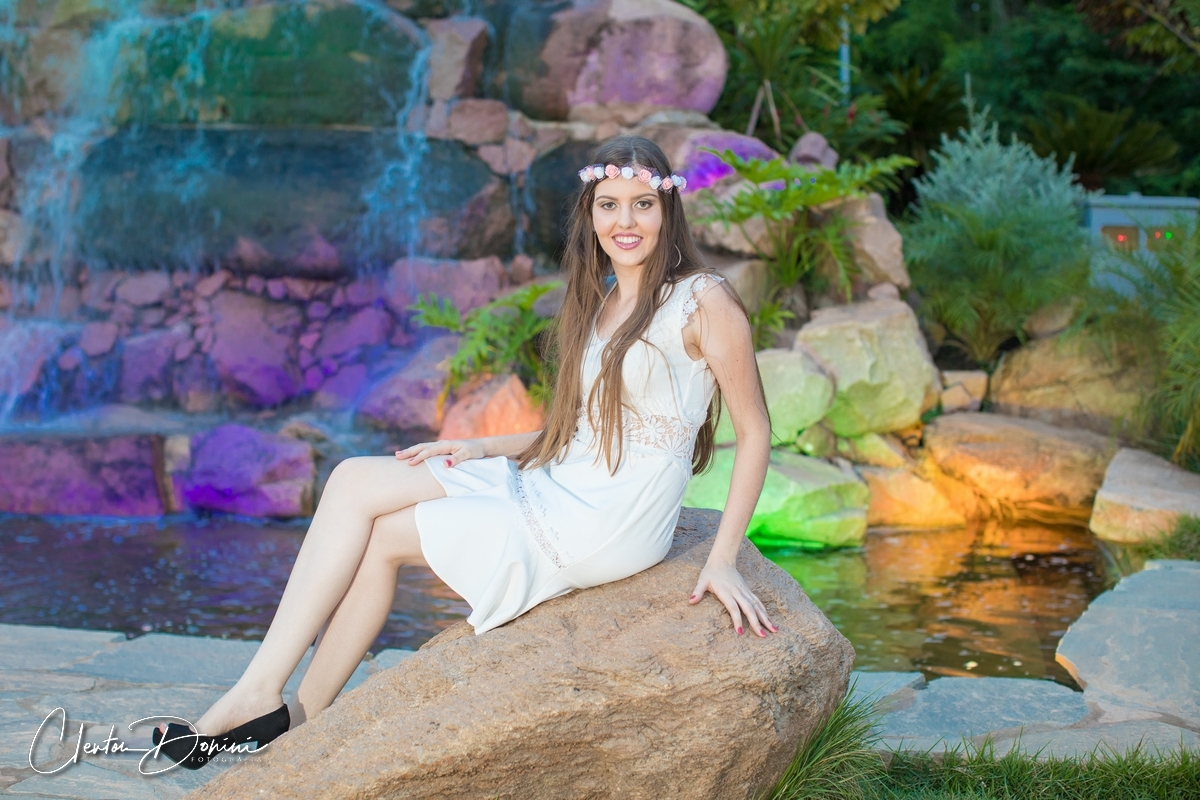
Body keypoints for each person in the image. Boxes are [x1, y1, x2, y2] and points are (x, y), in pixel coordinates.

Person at [150, 134, 774, 770]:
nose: (626, 222)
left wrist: (723, 560)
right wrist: (476, 447)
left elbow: (754, 431)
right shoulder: (603, 298)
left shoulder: (703, 301)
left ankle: (273, 705)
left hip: (608, 519)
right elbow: (577, 431)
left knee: (383, 532)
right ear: (590, 214)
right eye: (609, 205)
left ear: (667, 209)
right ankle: (277, 707)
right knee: (354, 481)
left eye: (643, 204)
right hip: (563, 481)